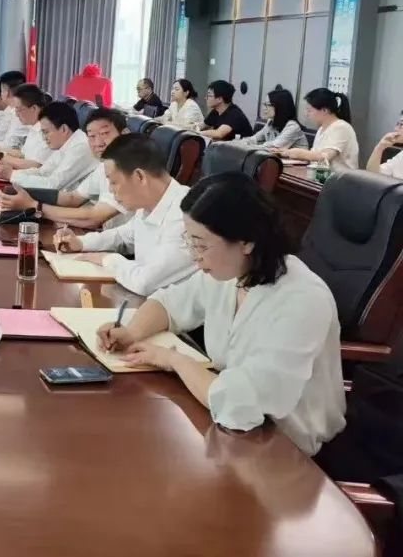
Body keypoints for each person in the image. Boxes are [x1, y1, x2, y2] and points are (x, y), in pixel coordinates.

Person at [95, 173, 345, 456]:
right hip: (230, 431)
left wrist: (174, 360)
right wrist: (131, 332)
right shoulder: (231, 272)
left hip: (287, 446)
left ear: (247, 241)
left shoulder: (302, 300)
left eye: (201, 245)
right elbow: (169, 303)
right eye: (189, 242)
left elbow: (240, 404)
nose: (194, 256)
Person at [54, 134, 196, 296]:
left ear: (139, 177)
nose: (110, 189)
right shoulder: (149, 203)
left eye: (113, 182)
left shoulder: (186, 214)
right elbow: (123, 236)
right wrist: (81, 242)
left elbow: (145, 282)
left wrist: (106, 259)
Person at [0, 108, 130, 230]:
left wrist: (35, 206)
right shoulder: (104, 164)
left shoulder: (127, 167)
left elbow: (93, 218)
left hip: (120, 244)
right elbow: (72, 198)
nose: (98, 143)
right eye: (92, 136)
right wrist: (20, 193)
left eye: (105, 133)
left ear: (125, 133)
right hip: (105, 234)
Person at [0, 101, 95, 192]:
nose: (44, 137)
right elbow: (43, 172)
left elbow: (53, 185)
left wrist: (12, 175)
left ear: (64, 129)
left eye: (46, 132)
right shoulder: (66, 144)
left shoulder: (80, 147)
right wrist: (12, 173)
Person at [279, 88, 359, 170]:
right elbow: (315, 156)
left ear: (324, 110)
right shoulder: (322, 129)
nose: (306, 114)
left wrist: (300, 153)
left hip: (340, 177)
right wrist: (288, 152)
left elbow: (325, 156)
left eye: (309, 110)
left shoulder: (341, 127)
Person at [367, 111, 403, 178]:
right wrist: (380, 147)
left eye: (401, 124)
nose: (395, 128)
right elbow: (372, 175)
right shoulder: (401, 156)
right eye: (397, 124)